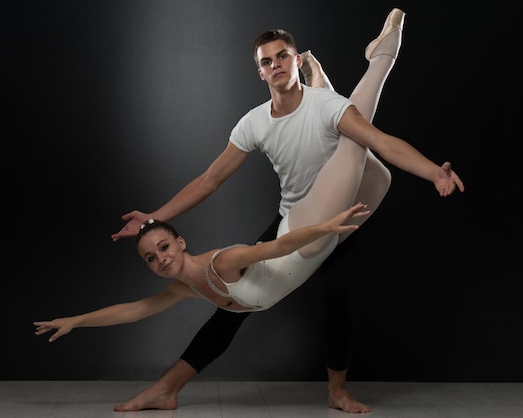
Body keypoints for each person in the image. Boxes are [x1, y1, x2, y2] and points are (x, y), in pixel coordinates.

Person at [68, 8, 462, 413]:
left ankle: (338, 392)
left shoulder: (325, 107)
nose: (274, 65)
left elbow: (382, 142)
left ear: (294, 59)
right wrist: (153, 216)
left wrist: (434, 172)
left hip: (354, 193)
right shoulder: (254, 123)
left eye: (281, 56)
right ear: (259, 72)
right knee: (233, 305)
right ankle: (167, 388)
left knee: (356, 145)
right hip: (302, 210)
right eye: (266, 61)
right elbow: (209, 180)